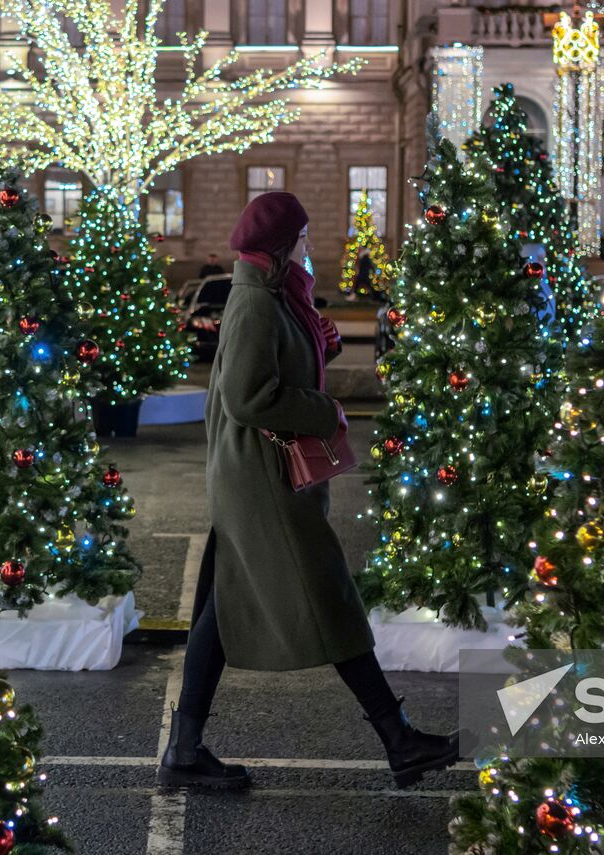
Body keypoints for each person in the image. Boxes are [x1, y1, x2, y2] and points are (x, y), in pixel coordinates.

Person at [159, 192, 457, 791]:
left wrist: (319, 344)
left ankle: (184, 752)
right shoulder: (255, 304)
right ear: (279, 245)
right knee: (329, 596)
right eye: (302, 236)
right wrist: (325, 410)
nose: (309, 246)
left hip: (258, 475)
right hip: (262, 479)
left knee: (220, 613)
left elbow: (274, 370)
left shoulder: (273, 298)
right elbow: (248, 396)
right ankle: (398, 740)